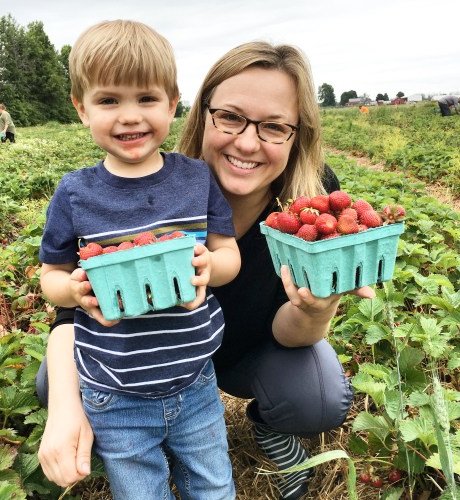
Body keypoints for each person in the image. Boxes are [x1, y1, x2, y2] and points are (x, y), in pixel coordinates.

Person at [36, 39, 376, 499]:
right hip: (134, 355)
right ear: (202, 113)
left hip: (224, 357)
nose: (248, 141)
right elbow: (67, 301)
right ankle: (129, 437)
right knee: (54, 382)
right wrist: (64, 407)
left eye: (274, 126)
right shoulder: (135, 188)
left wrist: (316, 307)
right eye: (231, 117)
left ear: (299, 134)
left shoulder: (309, 205)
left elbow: (286, 327)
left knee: (316, 396)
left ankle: (267, 426)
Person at [38, 20, 240, 500]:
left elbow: (228, 252)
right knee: (140, 492)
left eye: (146, 99)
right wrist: (74, 290)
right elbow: (52, 276)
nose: (130, 116)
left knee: (214, 487)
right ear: (81, 109)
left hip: (195, 380)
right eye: (109, 100)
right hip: (114, 390)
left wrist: (212, 267)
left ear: (172, 103)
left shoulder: (196, 179)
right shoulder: (74, 193)